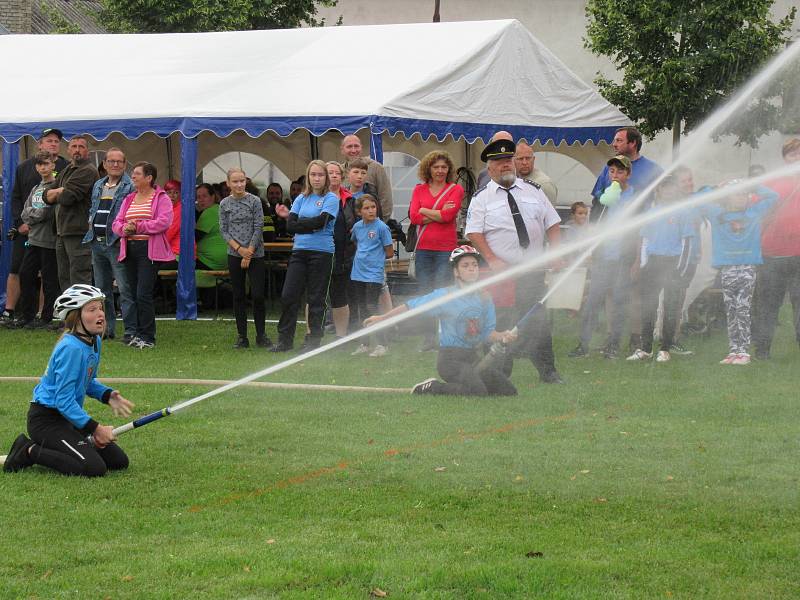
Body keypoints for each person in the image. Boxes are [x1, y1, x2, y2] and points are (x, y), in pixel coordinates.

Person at [2, 284, 134, 476]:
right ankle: (28, 450)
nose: (100, 314)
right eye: (92, 309)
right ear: (75, 316)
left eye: (100, 308)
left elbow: (86, 381)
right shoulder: (70, 349)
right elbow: (63, 401)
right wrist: (96, 429)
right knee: (94, 468)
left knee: (118, 461)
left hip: (68, 420)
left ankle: (66, 445)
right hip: (47, 421)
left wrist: (107, 395)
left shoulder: (93, 340)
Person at [465, 139, 564, 384]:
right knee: (500, 322)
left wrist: (557, 252)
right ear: (490, 169)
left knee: (536, 320)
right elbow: (473, 233)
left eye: (508, 161)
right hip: (501, 273)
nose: (505, 166)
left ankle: (548, 371)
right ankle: (498, 373)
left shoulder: (534, 190)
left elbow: (552, 223)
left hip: (532, 269)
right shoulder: (481, 198)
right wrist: (492, 259)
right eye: (499, 163)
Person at [365, 246, 518, 396]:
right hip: (450, 361)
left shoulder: (485, 298)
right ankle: (433, 387)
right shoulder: (445, 296)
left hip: (472, 357)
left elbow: (487, 333)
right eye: (465, 265)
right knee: (477, 391)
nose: (472, 269)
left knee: (508, 390)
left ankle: (465, 384)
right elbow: (410, 306)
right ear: (456, 272)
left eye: (474, 265)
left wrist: (502, 336)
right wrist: (382, 318)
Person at [700, 180, 778, 365]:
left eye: (744, 193)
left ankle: (744, 351)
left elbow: (773, 196)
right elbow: (699, 199)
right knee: (731, 309)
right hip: (727, 269)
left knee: (743, 308)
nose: (741, 197)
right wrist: (716, 188)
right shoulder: (717, 214)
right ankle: (734, 350)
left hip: (747, 268)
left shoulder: (754, 211)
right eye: (737, 193)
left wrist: (753, 186)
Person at [569, 156, 636, 359]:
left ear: (628, 174)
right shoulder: (601, 197)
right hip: (602, 257)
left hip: (623, 259)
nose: (615, 176)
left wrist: (635, 262)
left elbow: (638, 231)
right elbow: (594, 226)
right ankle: (583, 344)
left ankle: (613, 345)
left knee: (618, 303)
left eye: (620, 172)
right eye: (612, 172)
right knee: (592, 302)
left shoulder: (634, 198)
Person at [627, 175, 696, 363]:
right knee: (648, 306)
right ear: (659, 190)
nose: (668, 191)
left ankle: (665, 348)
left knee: (670, 307)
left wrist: (680, 268)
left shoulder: (683, 213)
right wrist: (643, 264)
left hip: (673, 263)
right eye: (664, 187)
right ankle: (646, 348)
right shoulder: (652, 212)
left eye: (671, 187)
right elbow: (645, 240)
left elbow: (686, 243)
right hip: (652, 263)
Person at [272, 160, 339, 352]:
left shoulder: (331, 198)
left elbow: (321, 222)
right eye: (313, 175)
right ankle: (285, 340)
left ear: (326, 177)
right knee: (288, 295)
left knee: (316, 298)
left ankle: (313, 341)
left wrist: (303, 224)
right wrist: (308, 225)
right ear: (308, 177)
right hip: (299, 252)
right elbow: (290, 226)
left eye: (320, 175)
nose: (317, 178)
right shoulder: (301, 198)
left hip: (322, 253)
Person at [2, 128, 67, 324]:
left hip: (49, 235)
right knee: (22, 271)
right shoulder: (25, 170)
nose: (53, 143)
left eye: (56, 141)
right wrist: (22, 222)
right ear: (39, 143)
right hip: (28, 235)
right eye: (49, 140)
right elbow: (20, 202)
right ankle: (20, 313)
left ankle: (44, 315)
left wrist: (32, 218)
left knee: (48, 277)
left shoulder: (64, 170)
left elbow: (52, 206)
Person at [112, 162, 174, 349]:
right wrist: (125, 229)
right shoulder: (129, 198)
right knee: (131, 292)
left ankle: (148, 336)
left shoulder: (161, 198)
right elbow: (117, 223)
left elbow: (164, 222)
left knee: (143, 293)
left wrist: (138, 226)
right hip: (129, 248)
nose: (133, 176)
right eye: (133, 174)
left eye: (137, 173)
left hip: (149, 250)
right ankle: (136, 333)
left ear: (149, 178)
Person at [408, 150, 464, 351]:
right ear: (428, 169)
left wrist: (425, 210)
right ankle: (429, 337)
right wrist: (437, 214)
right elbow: (414, 217)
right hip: (423, 249)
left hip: (445, 250)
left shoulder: (455, 189)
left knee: (442, 290)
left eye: (444, 167)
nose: (440, 170)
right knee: (425, 292)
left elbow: (449, 216)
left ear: (449, 169)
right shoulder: (419, 190)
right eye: (436, 167)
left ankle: (446, 334)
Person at [752, 138, 800, 359]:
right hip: (772, 252)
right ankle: (763, 349)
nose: (797, 157)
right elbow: (754, 207)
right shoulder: (773, 182)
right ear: (785, 157)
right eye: (792, 154)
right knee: (768, 304)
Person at [83, 148, 136, 342]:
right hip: (96, 244)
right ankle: (106, 330)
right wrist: (91, 222)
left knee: (125, 289)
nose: (115, 165)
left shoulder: (130, 186)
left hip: (116, 243)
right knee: (102, 291)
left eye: (119, 162)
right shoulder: (98, 184)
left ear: (124, 164)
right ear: (104, 164)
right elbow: (93, 207)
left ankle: (130, 331)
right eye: (111, 161)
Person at [219, 168, 269, 349]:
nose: (239, 185)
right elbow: (223, 230)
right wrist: (239, 249)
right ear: (228, 183)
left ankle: (261, 335)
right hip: (234, 253)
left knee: (258, 295)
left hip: (256, 253)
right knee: (238, 295)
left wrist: (249, 251)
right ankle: (242, 336)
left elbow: (258, 226)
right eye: (235, 181)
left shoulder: (255, 201)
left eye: (242, 181)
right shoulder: (224, 204)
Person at [43, 135, 99, 290]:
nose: (77, 150)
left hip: (78, 232)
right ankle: (71, 314)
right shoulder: (68, 169)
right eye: (73, 146)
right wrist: (58, 190)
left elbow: (67, 197)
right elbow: (45, 195)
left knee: (79, 278)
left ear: (87, 150)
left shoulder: (88, 170)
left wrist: (58, 192)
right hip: (62, 232)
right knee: (64, 277)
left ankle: (83, 313)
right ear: (68, 150)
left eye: (81, 147)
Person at [350, 194, 393, 356]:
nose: (371, 211)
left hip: (374, 274)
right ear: (359, 211)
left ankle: (382, 344)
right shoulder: (357, 227)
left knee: (372, 307)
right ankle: (365, 344)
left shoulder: (382, 227)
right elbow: (356, 242)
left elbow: (389, 252)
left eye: (373, 207)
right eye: (366, 208)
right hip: (357, 272)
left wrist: (374, 258)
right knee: (362, 309)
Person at [327, 161, 358, 338]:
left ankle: (350, 329)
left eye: (337, 173)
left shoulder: (350, 200)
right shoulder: (317, 199)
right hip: (324, 252)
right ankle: (324, 327)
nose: (334, 176)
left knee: (348, 292)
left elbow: (356, 224)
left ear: (342, 176)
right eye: (330, 173)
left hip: (347, 252)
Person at [340, 134, 393, 220]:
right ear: (342, 150)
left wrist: (379, 224)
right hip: (346, 230)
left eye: (356, 146)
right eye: (349, 146)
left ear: (361, 148)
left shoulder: (376, 168)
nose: (353, 150)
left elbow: (386, 200)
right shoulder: (339, 171)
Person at [194, 184, 227, 271]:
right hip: (225, 258)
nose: (201, 200)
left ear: (213, 197)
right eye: (198, 197)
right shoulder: (218, 208)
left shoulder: (210, 212)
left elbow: (194, 237)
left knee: (179, 262)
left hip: (210, 260)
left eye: (204, 196)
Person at [513, 141, 558, 206]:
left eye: (528, 158)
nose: (524, 162)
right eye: (520, 159)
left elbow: (550, 214)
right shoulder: (512, 180)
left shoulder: (544, 184)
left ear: (533, 159)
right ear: (513, 160)